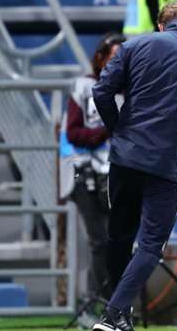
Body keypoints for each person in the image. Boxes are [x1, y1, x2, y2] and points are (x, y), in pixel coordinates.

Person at [91, 0, 177, 331]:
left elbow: (101, 92)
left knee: (119, 236)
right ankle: (115, 315)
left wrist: (119, 131)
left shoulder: (135, 45)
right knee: (150, 245)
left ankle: (119, 312)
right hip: (168, 164)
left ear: (161, 24)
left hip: (125, 158)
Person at [61, 33, 125, 314]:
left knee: (115, 241)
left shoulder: (129, 90)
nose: (118, 63)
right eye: (113, 57)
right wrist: (106, 131)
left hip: (116, 173)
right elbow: (73, 132)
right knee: (99, 241)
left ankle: (115, 305)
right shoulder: (83, 86)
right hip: (83, 171)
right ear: (100, 58)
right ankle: (101, 306)